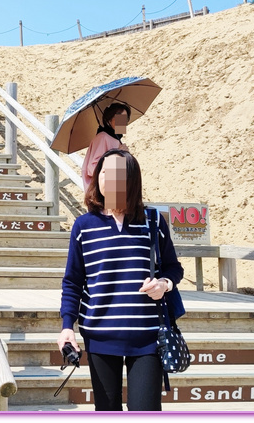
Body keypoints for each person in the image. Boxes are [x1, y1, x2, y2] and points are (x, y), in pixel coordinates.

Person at [59, 149, 183, 411]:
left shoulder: (153, 221)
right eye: (104, 172)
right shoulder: (84, 226)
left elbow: (173, 268)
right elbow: (73, 281)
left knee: (146, 410)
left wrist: (164, 285)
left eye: (118, 174)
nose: (109, 180)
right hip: (100, 335)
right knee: (107, 409)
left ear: (132, 180)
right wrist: (67, 326)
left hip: (148, 337)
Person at [81, 103, 132, 190]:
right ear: (109, 120)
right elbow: (92, 169)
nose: (123, 123)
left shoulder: (116, 138)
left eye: (125, 119)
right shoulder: (102, 137)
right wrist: (118, 154)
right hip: (102, 193)